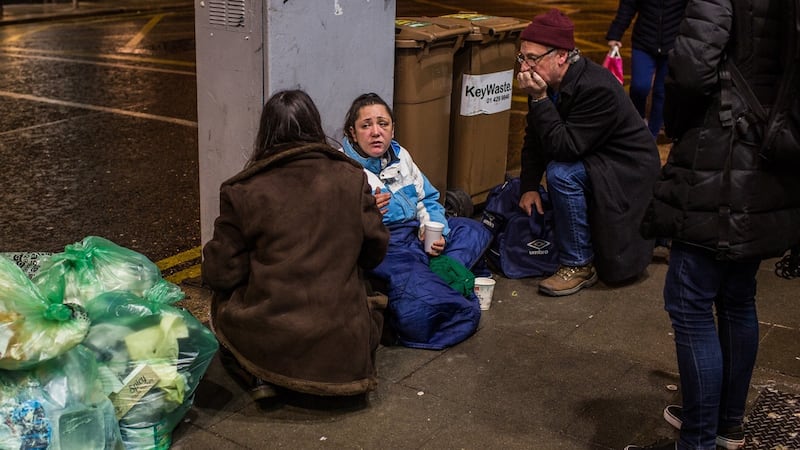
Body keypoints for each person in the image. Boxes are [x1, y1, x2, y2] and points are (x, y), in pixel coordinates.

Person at [629, 0, 800, 448]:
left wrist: (682, 127)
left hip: (721, 157)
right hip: (772, 157)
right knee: (739, 297)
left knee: (689, 302)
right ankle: (728, 424)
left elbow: (689, 70)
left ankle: (700, 439)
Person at [202, 89, 390, 399]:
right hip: (346, 350)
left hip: (273, 336)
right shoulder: (351, 177)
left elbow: (221, 272)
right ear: (315, 126)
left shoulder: (244, 189)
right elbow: (375, 252)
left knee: (220, 304)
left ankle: (259, 376)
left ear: (266, 133)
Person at [515, 9, 661, 296]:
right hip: (595, 155)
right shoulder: (548, 83)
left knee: (561, 173)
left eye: (533, 58)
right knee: (559, 169)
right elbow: (536, 137)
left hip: (628, 167)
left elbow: (565, 148)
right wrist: (529, 186)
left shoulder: (596, 87)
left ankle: (578, 264)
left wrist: (540, 100)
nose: (524, 67)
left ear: (561, 56)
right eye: (522, 57)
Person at [339, 93, 492, 350]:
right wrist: (364, 211)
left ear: (393, 128)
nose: (376, 132)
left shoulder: (401, 156)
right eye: (366, 126)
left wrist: (434, 229)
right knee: (448, 307)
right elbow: (334, 229)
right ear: (353, 133)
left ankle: (433, 277)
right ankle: (434, 282)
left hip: (416, 236)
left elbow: (429, 199)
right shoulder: (344, 170)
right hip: (386, 247)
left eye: (383, 124)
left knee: (472, 229)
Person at [605, 0, 687, 138]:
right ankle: (637, 123)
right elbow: (628, 5)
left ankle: (652, 135)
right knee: (639, 86)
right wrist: (615, 33)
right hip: (643, 42)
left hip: (672, 45)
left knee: (662, 92)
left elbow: (694, 12)